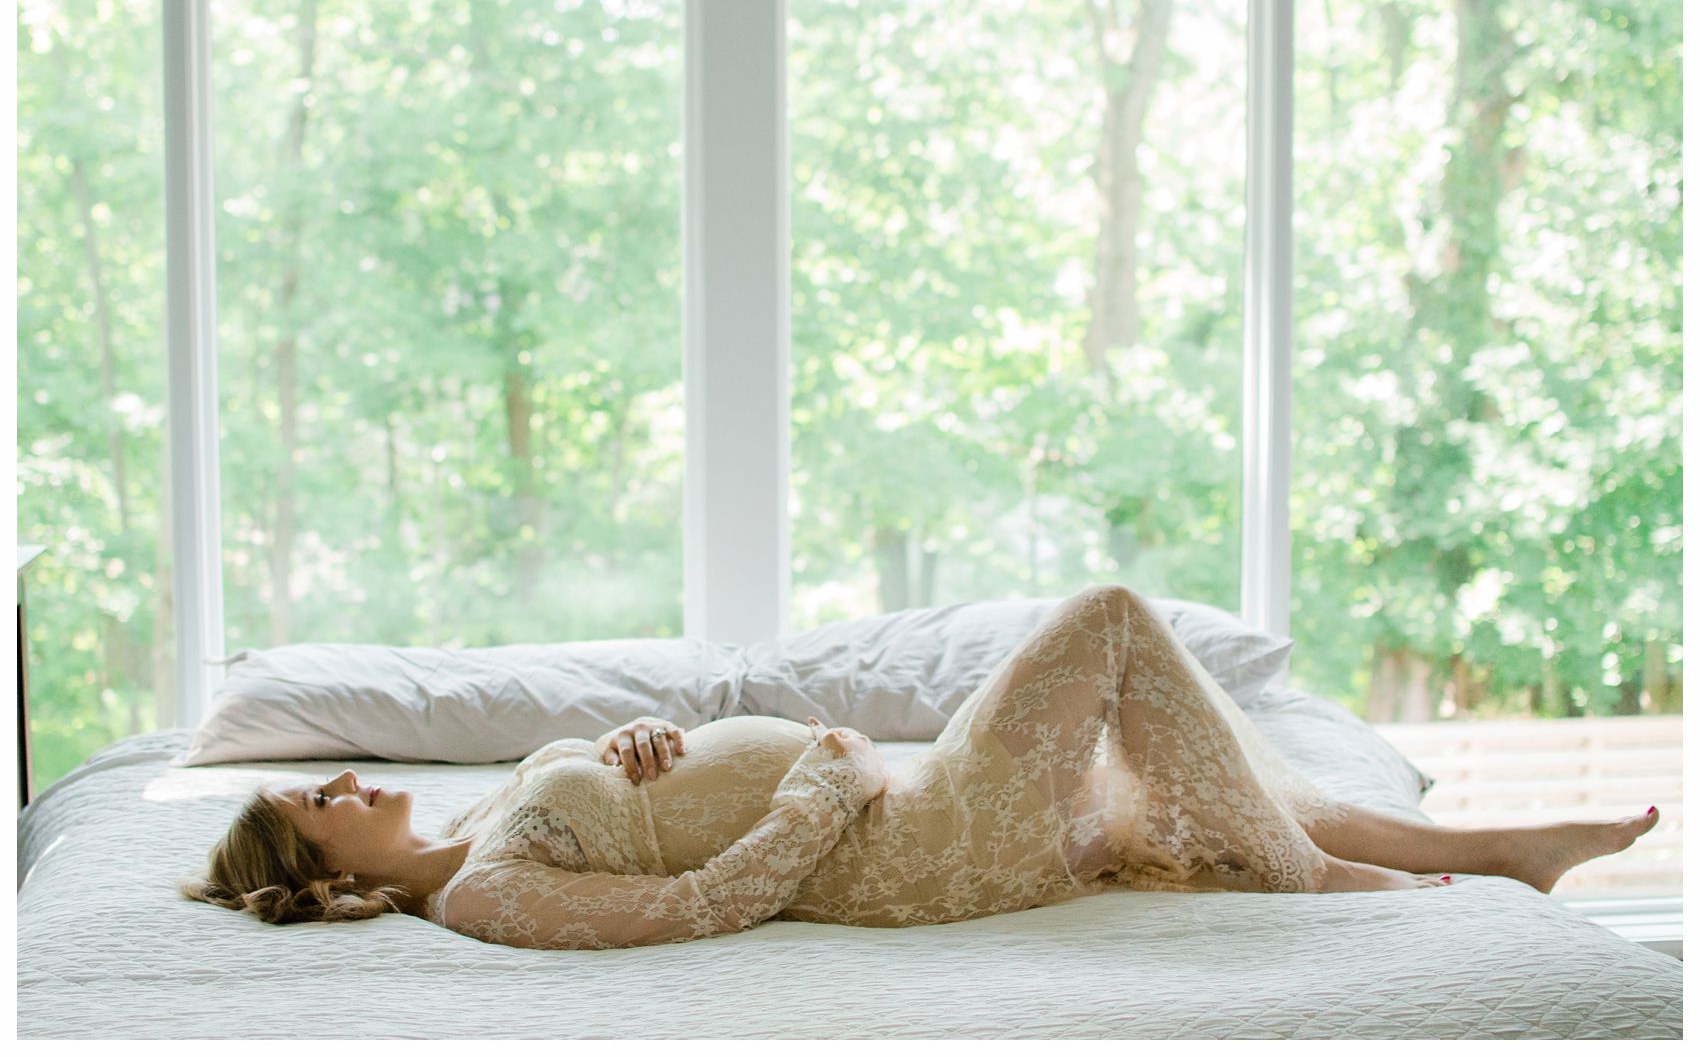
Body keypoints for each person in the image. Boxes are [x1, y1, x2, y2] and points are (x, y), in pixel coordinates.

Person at [181, 585, 1660, 947]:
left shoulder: (485, 823)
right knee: (1110, 624)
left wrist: (630, 742)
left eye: (319, 780)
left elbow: (643, 798)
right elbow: (703, 905)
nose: (340, 784)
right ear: (326, 883)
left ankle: (1509, 844)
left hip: (893, 792)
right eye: (317, 807)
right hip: (908, 845)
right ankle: (1311, 874)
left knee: (1178, 766)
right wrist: (824, 784)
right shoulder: (486, 899)